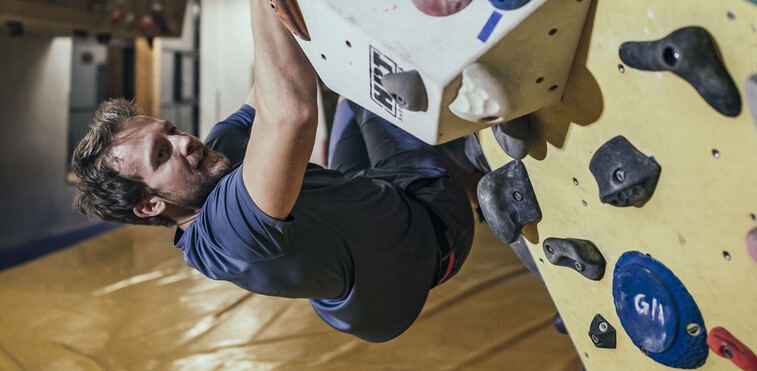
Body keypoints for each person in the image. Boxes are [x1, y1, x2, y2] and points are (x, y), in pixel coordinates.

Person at [70, 0, 473, 342]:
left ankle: (461, 166)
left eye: (170, 130)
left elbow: (265, 92)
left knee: (353, 83)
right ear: (148, 206)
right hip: (428, 233)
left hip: (366, 222)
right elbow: (291, 114)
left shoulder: (210, 162)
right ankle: (482, 169)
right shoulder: (225, 238)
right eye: (162, 154)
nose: (184, 141)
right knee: (386, 77)